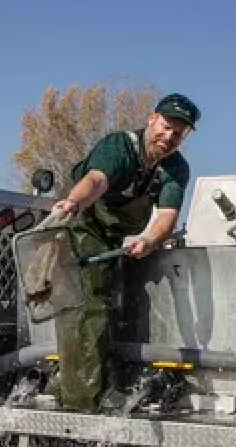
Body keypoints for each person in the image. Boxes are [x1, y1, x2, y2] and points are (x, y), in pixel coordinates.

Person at [48, 93, 199, 412]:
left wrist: (148, 241)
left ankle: (96, 382)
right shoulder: (119, 147)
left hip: (122, 241)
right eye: (167, 126)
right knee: (90, 306)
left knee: (118, 309)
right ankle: (85, 399)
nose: (170, 136)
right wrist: (73, 203)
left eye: (179, 132)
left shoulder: (175, 167)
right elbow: (96, 180)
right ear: (151, 119)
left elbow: (167, 217)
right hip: (86, 230)